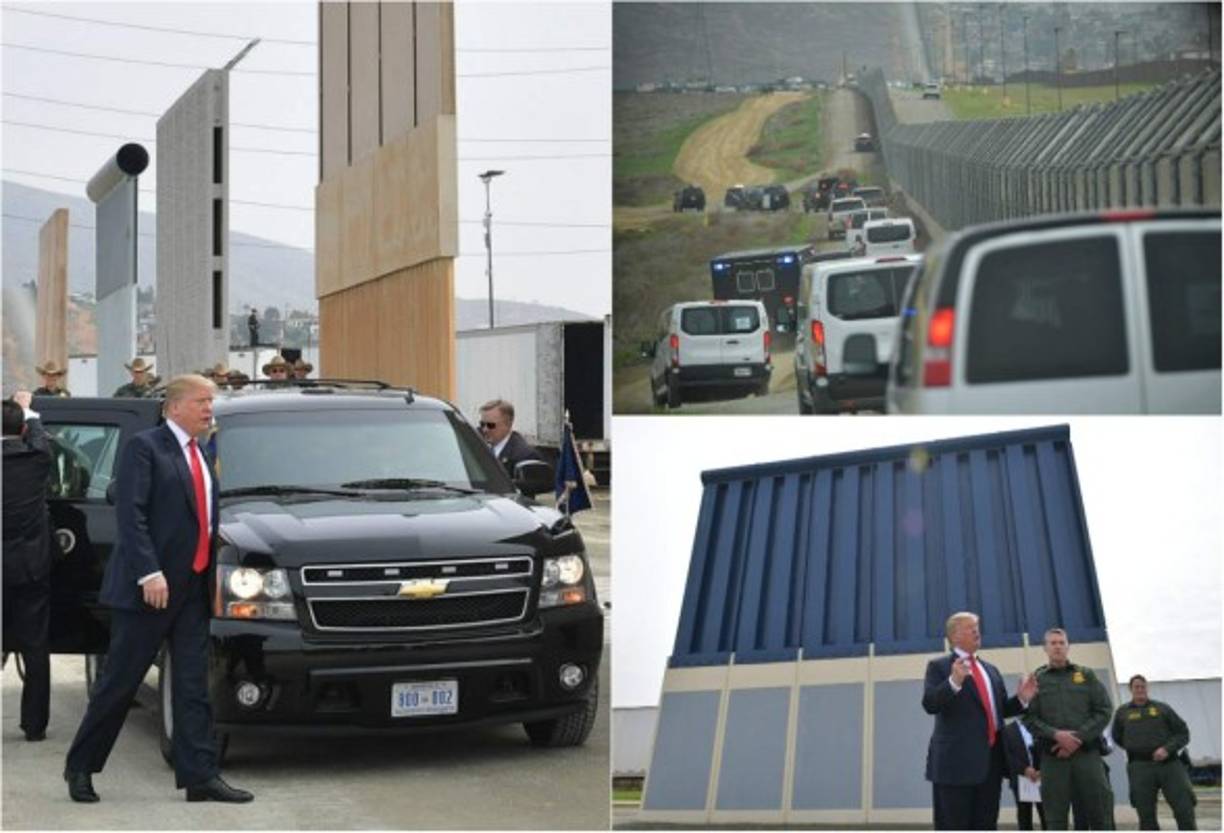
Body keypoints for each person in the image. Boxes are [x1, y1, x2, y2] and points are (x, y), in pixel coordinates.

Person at [63, 374, 253, 804]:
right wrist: (149, 573)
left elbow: (202, 520)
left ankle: (200, 776)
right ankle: (81, 767)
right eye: (202, 401)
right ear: (175, 407)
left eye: (212, 401)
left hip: (191, 589)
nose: (210, 409)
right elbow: (132, 516)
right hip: (149, 589)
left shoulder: (202, 452)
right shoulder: (145, 448)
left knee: (191, 686)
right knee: (120, 682)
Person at [922, 611, 1038, 830]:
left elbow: (998, 710)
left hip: (991, 765)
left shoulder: (991, 670)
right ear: (954, 636)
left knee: (986, 825)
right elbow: (930, 704)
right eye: (970, 627)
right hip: (955, 767)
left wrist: (1022, 699)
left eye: (978, 627)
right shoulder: (939, 667)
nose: (977, 631)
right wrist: (954, 682)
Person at [2, 391, 54, 742]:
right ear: (21, 429)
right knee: (35, 646)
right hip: (31, 567)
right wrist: (28, 409)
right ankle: (34, 726)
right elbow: (39, 438)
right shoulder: (36, 458)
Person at [1023, 628, 1113, 830]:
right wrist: (1056, 735)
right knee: (1055, 817)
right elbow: (1028, 717)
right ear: (1045, 648)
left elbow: (1104, 710)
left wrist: (1077, 738)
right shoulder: (1036, 679)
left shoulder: (1086, 675)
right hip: (1053, 759)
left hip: (1087, 755)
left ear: (1068, 646)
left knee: (1100, 812)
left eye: (1061, 642)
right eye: (1053, 643)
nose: (1057, 647)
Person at [1110, 674, 1197, 830]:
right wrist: (1135, 747)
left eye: (1143, 686)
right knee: (1146, 814)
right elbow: (1117, 736)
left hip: (1169, 765)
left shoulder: (1162, 708)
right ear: (1131, 689)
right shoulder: (1123, 712)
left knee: (1184, 809)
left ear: (1147, 688)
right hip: (1139, 767)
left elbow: (1183, 733)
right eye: (1136, 687)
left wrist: (1167, 749)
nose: (1140, 689)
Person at [478, 399, 541, 477]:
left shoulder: (524, 455)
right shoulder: (478, 446)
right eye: (482, 424)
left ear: (508, 424)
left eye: (491, 425)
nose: (485, 429)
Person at [1003, 719, 1046, 830]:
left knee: (1046, 815)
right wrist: (1024, 769)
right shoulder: (1007, 730)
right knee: (1024, 817)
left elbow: (1048, 749)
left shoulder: (1042, 727)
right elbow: (1007, 756)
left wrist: (1042, 769)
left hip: (1042, 777)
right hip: (1020, 779)